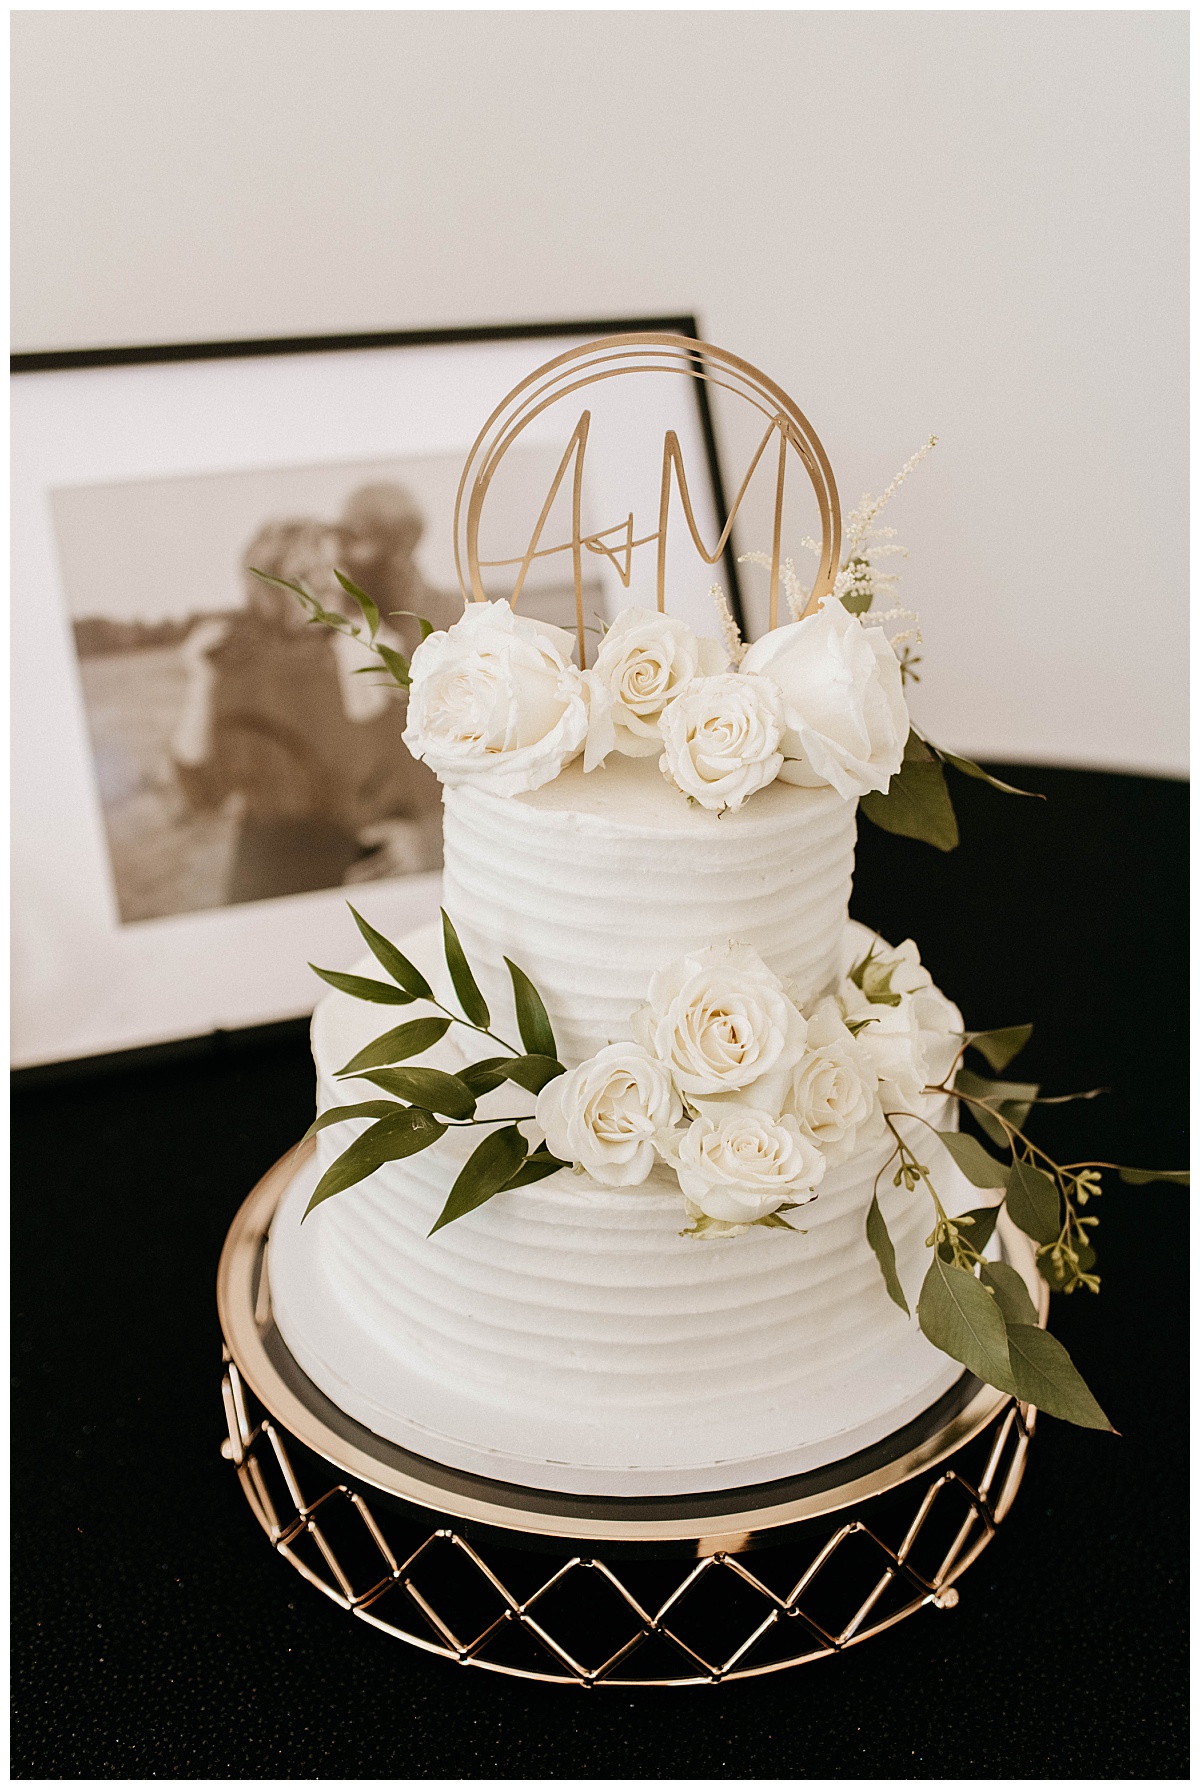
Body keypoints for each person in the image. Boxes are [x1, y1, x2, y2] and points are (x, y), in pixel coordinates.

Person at [171, 513, 442, 906]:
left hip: (374, 876)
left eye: (335, 569)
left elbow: (428, 774)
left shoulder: (371, 646)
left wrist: (423, 838)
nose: (331, 586)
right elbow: (201, 793)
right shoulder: (240, 661)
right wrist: (201, 681)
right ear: (268, 586)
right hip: (278, 879)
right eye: (308, 573)